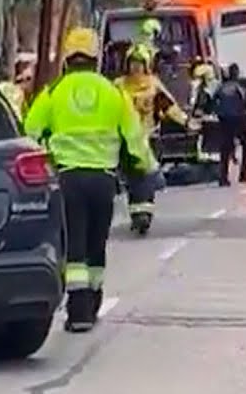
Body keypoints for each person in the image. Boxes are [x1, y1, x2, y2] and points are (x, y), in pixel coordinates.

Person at [24, 27, 160, 332]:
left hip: (68, 180)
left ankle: (79, 312)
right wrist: (143, 169)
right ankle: (94, 300)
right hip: (103, 181)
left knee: (75, 247)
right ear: (96, 57)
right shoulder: (113, 92)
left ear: (68, 58)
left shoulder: (54, 90)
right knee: (97, 244)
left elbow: (29, 132)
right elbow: (134, 137)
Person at [113, 43, 192, 232]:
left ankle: (145, 214)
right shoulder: (119, 86)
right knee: (133, 178)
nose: (136, 67)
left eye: (140, 63)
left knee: (147, 177)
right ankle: (136, 213)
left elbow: (168, 106)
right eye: (132, 63)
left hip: (150, 137)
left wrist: (186, 122)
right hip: (127, 140)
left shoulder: (153, 85)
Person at [214, 63, 246, 185]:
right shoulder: (238, 87)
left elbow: (213, 102)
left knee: (225, 149)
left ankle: (223, 178)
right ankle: (244, 175)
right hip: (238, 119)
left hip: (224, 120)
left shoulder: (220, 88)